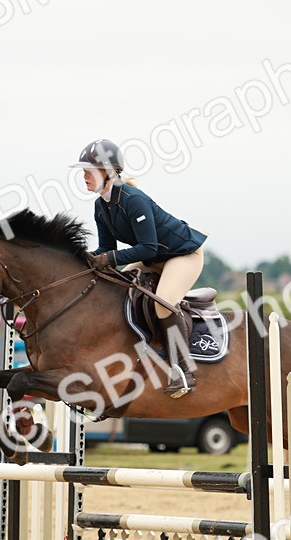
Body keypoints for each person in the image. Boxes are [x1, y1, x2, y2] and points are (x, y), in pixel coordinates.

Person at [74, 138, 208, 397]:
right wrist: (86, 258)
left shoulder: (133, 199)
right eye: (83, 172)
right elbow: (107, 248)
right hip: (154, 257)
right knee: (117, 292)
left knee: (162, 302)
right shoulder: (100, 205)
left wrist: (108, 259)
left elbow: (148, 248)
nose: (84, 177)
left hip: (183, 254)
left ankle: (182, 371)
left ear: (108, 172)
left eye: (88, 171)